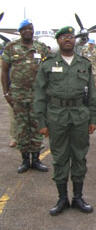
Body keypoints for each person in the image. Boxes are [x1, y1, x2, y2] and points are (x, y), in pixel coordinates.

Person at [33, 26, 96, 216]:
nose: (68, 39)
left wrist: (93, 117)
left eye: (71, 36)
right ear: (58, 41)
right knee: (60, 157)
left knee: (79, 156)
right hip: (56, 116)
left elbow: (92, 95)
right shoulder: (47, 64)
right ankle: (62, 198)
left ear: (74, 40)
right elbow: (39, 95)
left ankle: (78, 197)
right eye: (64, 37)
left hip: (80, 115)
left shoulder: (84, 64)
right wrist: (41, 122)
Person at [1, 19, 49, 173]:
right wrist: (6, 92)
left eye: (30, 28)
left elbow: (48, 67)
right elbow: (4, 70)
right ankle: (24, 160)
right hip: (18, 95)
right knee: (22, 128)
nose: (28, 31)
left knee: (36, 127)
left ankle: (35, 160)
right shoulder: (11, 47)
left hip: (37, 95)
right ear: (20, 32)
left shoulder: (40, 48)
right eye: (24, 29)